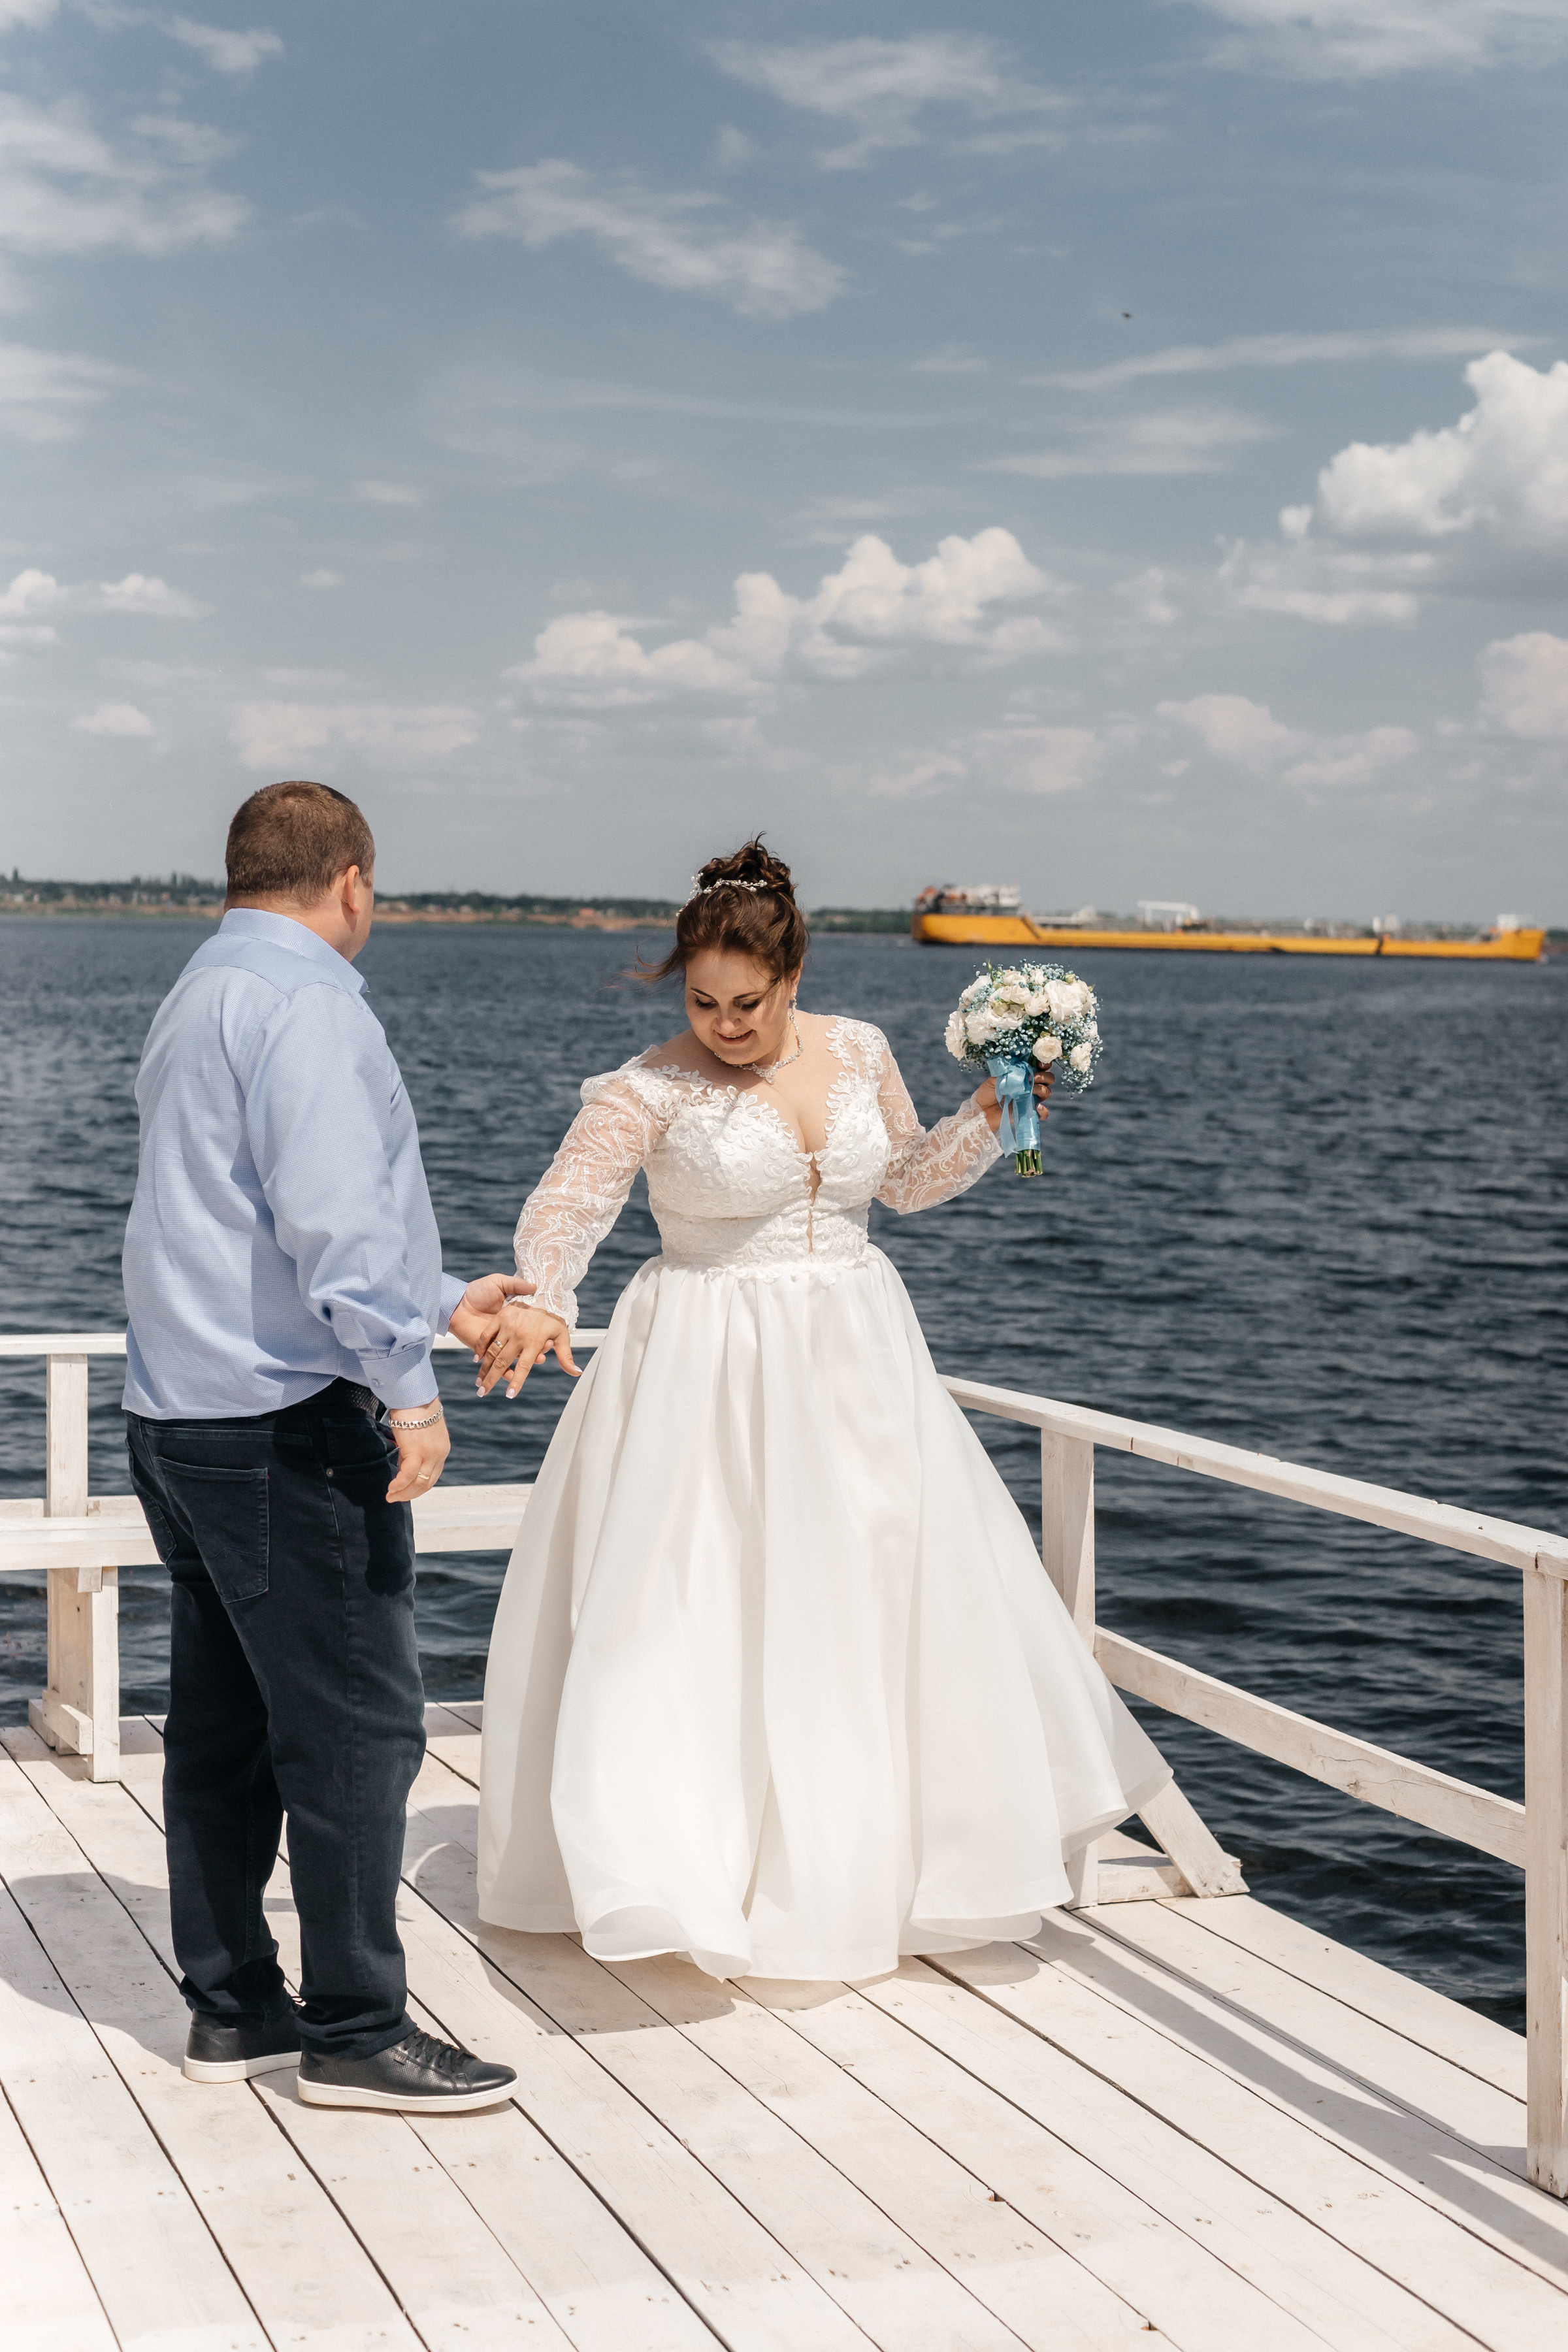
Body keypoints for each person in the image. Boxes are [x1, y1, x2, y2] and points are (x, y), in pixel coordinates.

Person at [473, 838, 1169, 1982]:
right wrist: (545, 1295)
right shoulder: (644, 1088)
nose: (724, 1024)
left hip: (858, 1355)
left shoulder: (860, 1048)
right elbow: (566, 1207)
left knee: (873, 1596)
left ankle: (867, 1867)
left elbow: (906, 1181)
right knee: (700, 1610)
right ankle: (688, 1872)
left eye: (747, 1003)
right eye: (702, 1002)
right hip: (704, 1363)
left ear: (792, 978)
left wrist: (991, 1111)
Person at [123, 779, 520, 2111]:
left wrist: (438, 1302)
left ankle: (235, 2006)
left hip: (179, 1418)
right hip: (285, 1427)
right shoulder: (309, 1005)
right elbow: (337, 1226)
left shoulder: (201, 990)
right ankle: (355, 2028)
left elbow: (242, 1216)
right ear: (351, 880)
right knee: (358, 1725)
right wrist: (411, 1389)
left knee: (224, 1728)